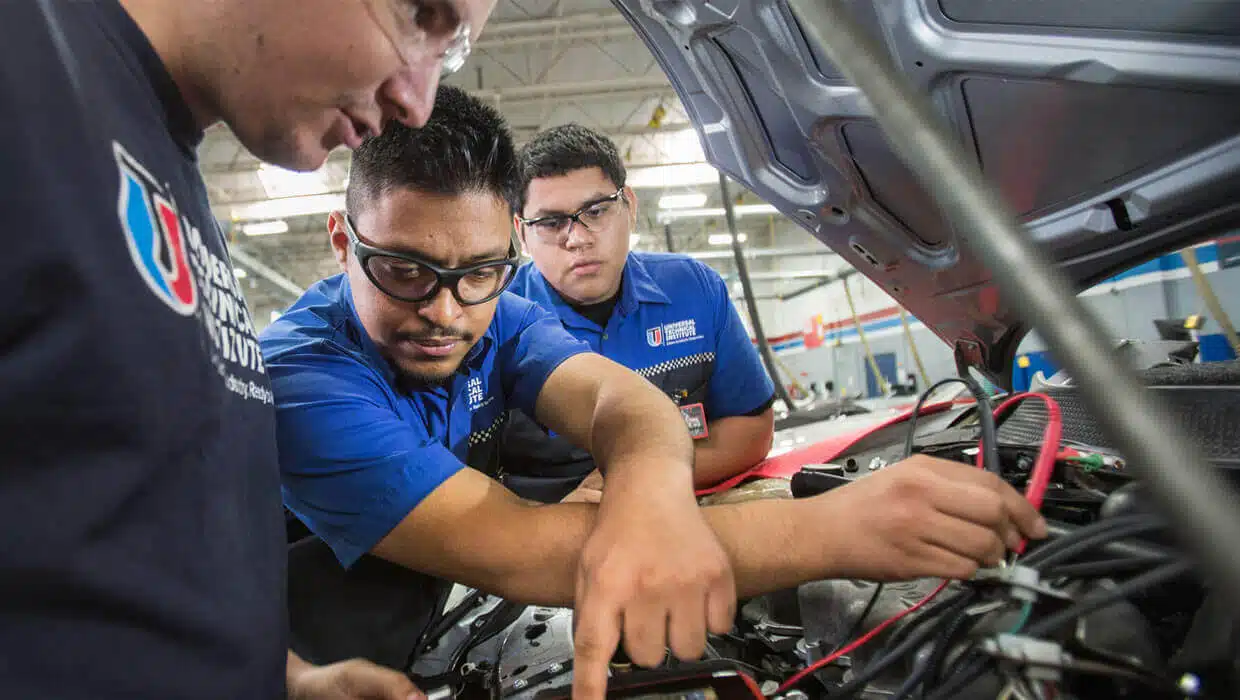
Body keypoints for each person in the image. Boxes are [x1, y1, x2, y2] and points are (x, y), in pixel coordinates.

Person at [261, 86, 1049, 700]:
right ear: (343, 243)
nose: (444, 311)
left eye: (478, 272)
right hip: (339, 654)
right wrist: (833, 530)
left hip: (450, 607)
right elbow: (519, 554)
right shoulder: (303, 381)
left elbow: (625, 405)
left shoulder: (502, 312)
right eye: (403, 271)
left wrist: (648, 495)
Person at [0, 0, 499, 698]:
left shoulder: (154, 149)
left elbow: (121, 546)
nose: (418, 102)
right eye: (419, 13)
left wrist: (290, 680)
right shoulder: (25, 74)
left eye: (450, 52)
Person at [501, 124, 775, 503]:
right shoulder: (493, 323)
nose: (578, 238)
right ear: (522, 233)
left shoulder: (694, 290)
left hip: (678, 497)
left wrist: (640, 478)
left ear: (629, 206)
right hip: (544, 524)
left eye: (595, 211)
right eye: (550, 223)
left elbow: (752, 428)